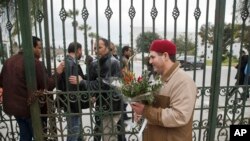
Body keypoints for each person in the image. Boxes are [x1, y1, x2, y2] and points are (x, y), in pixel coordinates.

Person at [131, 39, 197, 141]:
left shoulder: (183, 81)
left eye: (153, 57)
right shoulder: (158, 79)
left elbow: (180, 116)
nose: (150, 61)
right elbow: (155, 109)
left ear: (165, 56)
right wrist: (141, 114)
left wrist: (145, 110)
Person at [0, 36, 64, 141]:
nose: (41, 51)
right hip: (30, 109)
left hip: (14, 109)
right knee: (39, 136)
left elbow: (2, 82)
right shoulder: (34, 62)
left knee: (25, 135)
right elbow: (47, 85)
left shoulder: (8, 61)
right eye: (39, 48)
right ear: (31, 48)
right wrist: (58, 72)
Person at [69, 38, 122, 141]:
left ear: (107, 48)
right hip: (101, 105)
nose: (96, 50)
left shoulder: (113, 62)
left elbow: (102, 84)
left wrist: (82, 81)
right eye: (94, 48)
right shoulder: (96, 63)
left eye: (99, 47)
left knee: (109, 136)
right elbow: (89, 78)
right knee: (97, 134)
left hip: (111, 106)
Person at [57, 42, 87, 141]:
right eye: (81, 50)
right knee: (73, 132)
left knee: (75, 130)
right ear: (78, 50)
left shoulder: (67, 61)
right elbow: (72, 85)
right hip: (72, 103)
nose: (81, 53)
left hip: (70, 102)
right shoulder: (71, 63)